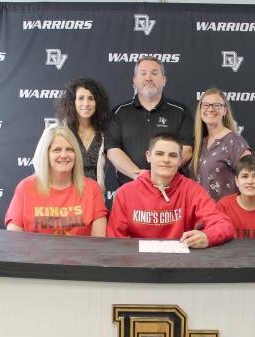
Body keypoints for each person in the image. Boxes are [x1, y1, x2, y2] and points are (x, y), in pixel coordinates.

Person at [107, 133, 235, 248]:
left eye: (172, 155)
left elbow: (224, 225)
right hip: (138, 265)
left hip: (180, 266)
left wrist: (208, 236)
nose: (166, 160)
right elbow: (116, 239)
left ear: (180, 161)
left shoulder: (192, 190)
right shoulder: (125, 193)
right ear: (148, 156)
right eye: (159, 154)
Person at [106, 56, 194, 186]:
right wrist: (139, 176)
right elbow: (113, 151)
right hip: (131, 190)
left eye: (154, 73)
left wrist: (161, 175)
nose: (148, 78)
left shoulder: (180, 111)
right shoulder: (119, 112)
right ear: (135, 80)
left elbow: (186, 150)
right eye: (143, 73)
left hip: (171, 190)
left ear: (164, 80)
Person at [5, 126, 107, 236]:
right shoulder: (25, 188)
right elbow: (13, 242)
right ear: (45, 154)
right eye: (57, 150)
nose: (64, 155)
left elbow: (98, 244)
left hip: (81, 253)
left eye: (69, 149)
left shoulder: (92, 189)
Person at [192, 88, 251, 201]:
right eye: (205, 105)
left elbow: (250, 180)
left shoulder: (235, 142)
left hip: (226, 215)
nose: (210, 109)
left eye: (216, 105)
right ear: (200, 110)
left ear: (225, 110)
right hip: (202, 214)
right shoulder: (200, 142)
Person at [55, 77, 110, 190]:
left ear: (97, 102)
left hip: (95, 198)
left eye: (91, 98)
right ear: (72, 102)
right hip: (66, 198)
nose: (86, 103)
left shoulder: (105, 133)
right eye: (80, 98)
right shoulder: (59, 132)